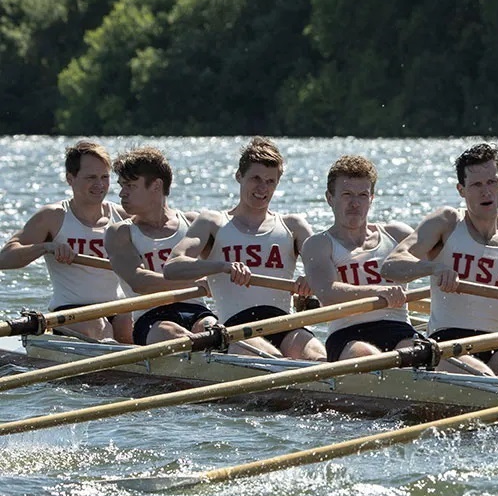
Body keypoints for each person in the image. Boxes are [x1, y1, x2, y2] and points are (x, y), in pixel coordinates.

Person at [163, 136, 325, 360]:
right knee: (270, 358)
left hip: (284, 325)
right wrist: (222, 266)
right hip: (236, 329)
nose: (262, 188)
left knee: (318, 357)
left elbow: (327, 268)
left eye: (270, 181)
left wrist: (312, 278)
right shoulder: (212, 223)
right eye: (255, 178)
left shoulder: (292, 225)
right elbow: (172, 268)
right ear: (239, 176)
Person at [381, 143, 498, 378]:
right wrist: (434, 268)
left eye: (492, 182)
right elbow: (391, 266)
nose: (486, 191)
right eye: (476, 185)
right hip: (447, 342)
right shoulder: (447, 223)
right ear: (461, 190)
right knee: (485, 378)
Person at [0, 140, 133, 343]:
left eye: (104, 177)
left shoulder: (123, 217)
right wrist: (47, 247)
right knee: (100, 326)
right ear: (70, 179)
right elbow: (5, 258)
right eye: (91, 177)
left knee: (131, 325)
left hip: (118, 311)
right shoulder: (52, 217)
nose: (99, 185)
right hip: (71, 312)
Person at [300, 155, 418, 362]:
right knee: (369, 357)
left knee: (417, 356)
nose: (355, 203)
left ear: (371, 198)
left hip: (399, 329)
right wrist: (379, 290)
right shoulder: (318, 244)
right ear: (330, 198)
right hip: (348, 336)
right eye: (347, 194)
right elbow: (327, 293)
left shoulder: (398, 235)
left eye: (362, 195)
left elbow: (441, 257)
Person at [104, 147, 218, 345]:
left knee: (213, 329)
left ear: (156, 186)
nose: (122, 193)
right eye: (122, 186)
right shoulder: (119, 233)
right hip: (151, 317)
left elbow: (227, 263)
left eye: (130, 186)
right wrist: (194, 283)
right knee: (175, 334)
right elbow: (139, 282)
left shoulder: (193, 223)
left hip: (197, 311)